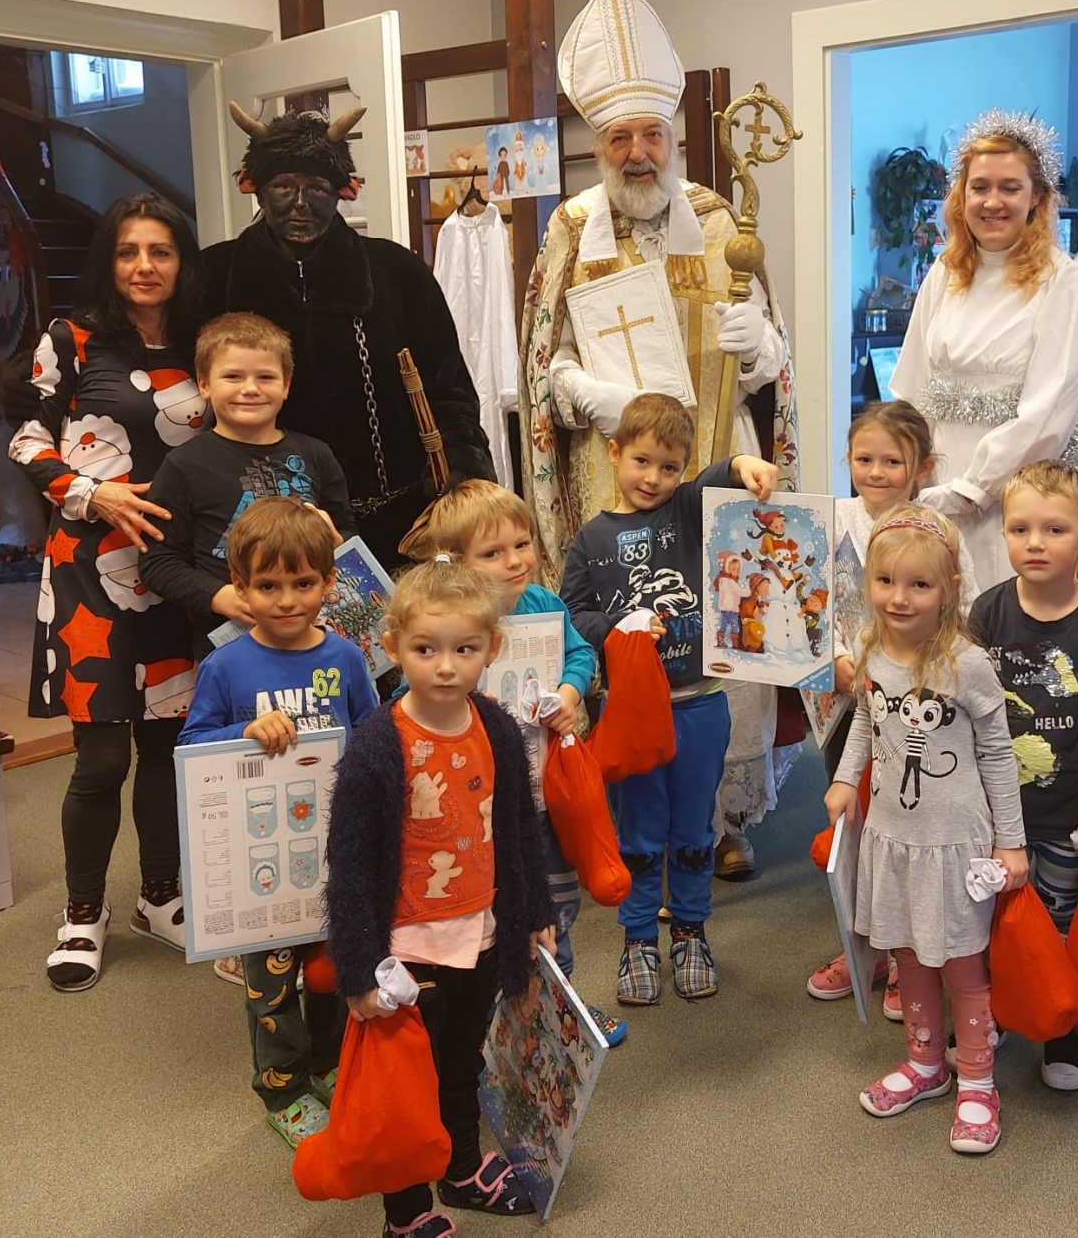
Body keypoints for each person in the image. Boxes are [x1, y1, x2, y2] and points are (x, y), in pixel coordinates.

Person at [521, 0, 798, 876]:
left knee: (725, 627)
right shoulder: (570, 229)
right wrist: (588, 395)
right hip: (616, 471)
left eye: (652, 136)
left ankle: (724, 818)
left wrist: (760, 349)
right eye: (620, 139)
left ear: (674, 140)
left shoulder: (719, 223)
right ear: (598, 147)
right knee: (635, 624)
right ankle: (633, 797)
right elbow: (544, 360)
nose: (638, 153)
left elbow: (770, 370)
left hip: (716, 458)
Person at [9, 193, 208, 992]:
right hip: (88, 569)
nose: (144, 266)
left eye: (161, 251)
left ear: (182, 261)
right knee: (99, 760)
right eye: (129, 251)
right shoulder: (71, 338)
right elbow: (28, 438)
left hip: (176, 572)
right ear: (109, 261)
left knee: (165, 746)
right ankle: (82, 913)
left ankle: (159, 897)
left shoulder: (203, 341)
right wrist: (95, 494)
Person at [326, 559, 554, 1229]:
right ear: (393, 647)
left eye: (465, 650)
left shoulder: (497, 728)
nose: (447, 667)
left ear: (491, 649)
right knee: (407, 1086)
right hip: (404, 950)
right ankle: (406, 1213)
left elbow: (519, 827)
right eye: (426, 650)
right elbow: (350, 865)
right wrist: (357, 969)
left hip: (479, 933)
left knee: (462, 1063)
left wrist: (533, 910)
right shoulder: (378, 743)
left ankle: (461, 1170)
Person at [559, 394, 779, 1005]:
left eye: (669, 467)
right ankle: (637, 939)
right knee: (638, 832)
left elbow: (717, 477)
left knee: (693, 828)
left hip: (700, 704)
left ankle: (689, 931)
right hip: (631, 711)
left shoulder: (687, 508)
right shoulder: (591, 538)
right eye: (642, 461)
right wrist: (621, 628)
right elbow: (572, 614)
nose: (653, 478)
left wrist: (744, 464)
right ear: (613, 453)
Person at [824, 506, 1025, 1153]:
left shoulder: (967, 663)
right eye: (886, 582)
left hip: (953, 846)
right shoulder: (873, 647)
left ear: (949, 589)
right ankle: (925, 1062)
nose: (899, 598)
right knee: (908, 959)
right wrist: (846, 779)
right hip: (891, 841)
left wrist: (1011, 841)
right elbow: (864, 718)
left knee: (962, 966)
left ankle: (978, 1080)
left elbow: (998, 754)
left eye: (919, 584)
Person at [209, 103, 493, 560]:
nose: (300, 203)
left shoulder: (395, 271)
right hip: (268, 527)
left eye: (317, 188)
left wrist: (462, 466)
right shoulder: (213, 274)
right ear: (255, 188)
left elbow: (449, 388)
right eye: (283, 186)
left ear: (343, 191)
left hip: (402, 521)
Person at [398, 478, 627, 1048]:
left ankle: (560, 1009)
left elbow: (580, 652)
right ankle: (498, 1019)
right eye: (493, 553)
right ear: (458, 564)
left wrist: (570, 693)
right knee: (493, 914)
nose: (515, 561)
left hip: (544, 792)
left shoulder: (544, 604)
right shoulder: (447, 624)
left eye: (522, 544)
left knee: (554, 907)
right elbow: (411, 697)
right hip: (477, 808)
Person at [178, 498, 378, 1146]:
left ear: (329, 582)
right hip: (261, 859)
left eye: (304, 583)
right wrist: (243, 732)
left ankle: (327, 1065)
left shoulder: (346, 658)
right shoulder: (225, 666)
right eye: (268, 586)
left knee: (334, 969)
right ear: (240, 588)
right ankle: (283, 1088)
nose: (288, 600)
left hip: (336, 850)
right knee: (271, 985)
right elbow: (192, 745)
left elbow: (371, 734)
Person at [892, 109, 1078, 588]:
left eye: (1009, 188)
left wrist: (972, 489)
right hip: (934, 484)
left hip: (1012, 496)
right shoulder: (944, 273)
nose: (992, 202)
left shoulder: (1065, 281)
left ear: (1036, 195)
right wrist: (907, 474)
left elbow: (1048, 412)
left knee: (996, 607)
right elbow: (911, 387)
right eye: (979, 187)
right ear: (962, 195)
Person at [805, 400, 982, 1015]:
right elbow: (806, 599)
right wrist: (836, 658)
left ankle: (911, 956)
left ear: (922, 467)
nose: (875, 473)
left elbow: (965, 608)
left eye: (892, 462)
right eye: (864, 459)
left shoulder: (936, 529)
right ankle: (863, 945)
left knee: (909, 826)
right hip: (845, 699)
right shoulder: (832, 520)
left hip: (916, 705)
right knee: (854, 827)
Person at [967, 460, 1078, 1092]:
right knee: (990, 920)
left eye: (1055, 530)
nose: (1035, 543)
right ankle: (994, 1011)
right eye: (1020, 529)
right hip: (991, 815)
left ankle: (1064, 1030)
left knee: (1057, 924)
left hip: (1067, 818)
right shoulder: (987, 612)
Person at [141, 312, 353, 654]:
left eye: (266, 377)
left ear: (286, 385)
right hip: (231, 646)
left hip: (316, 638)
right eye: (233, 376)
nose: (250, 389)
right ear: (204, 384)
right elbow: (157, 562)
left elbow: (346, 531)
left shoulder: (317, 454)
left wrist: (337, 544)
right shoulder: (183, 465)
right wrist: (218, 596)